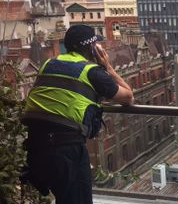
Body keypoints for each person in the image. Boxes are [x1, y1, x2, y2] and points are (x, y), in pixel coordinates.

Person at [22, 25, 134, 204]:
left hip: (35, 146)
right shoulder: (92, 72)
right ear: (92, 48)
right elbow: (128, 97)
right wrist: (109, 68)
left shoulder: (48, 64)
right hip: (66, 149)